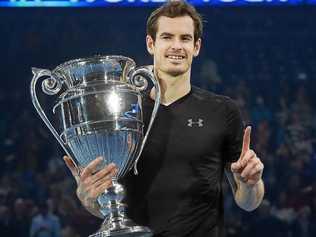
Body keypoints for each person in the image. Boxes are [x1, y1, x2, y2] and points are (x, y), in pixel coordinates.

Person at [63, 1, 265, 236]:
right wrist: (89, 199)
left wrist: (251, 184)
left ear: (197, 47)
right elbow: (108, 204)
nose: (176, 46)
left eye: (185, 38)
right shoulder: (122, 114)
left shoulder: (222, 110)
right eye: (167, 37)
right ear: (151, 43)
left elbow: (248, 202)